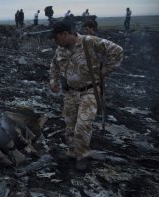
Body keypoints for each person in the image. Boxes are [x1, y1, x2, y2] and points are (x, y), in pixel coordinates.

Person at [49, 21, 123, 171]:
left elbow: (117, 51)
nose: (55, 41)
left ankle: (83, 155)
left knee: (82, 126)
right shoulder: (60, 49)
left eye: (56, 38)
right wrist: (53, 81)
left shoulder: (89, 41)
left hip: (89, 91)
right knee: (69, 125)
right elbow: (54, 65)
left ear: (64, 34)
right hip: (70, 92)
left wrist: (104, 71)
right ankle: (72, 152)